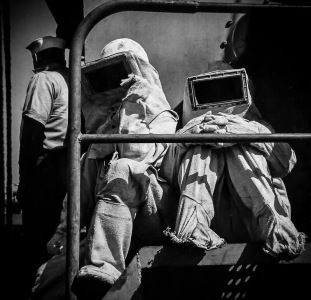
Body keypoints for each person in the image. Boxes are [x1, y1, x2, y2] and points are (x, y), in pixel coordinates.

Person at [29, 38, 179, 300]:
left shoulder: (163, 118)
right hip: (111, 226)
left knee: (122, 167)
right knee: (49, 279)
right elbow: (81, 190)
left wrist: (133, 106)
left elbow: (136, 154)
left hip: (154, 216)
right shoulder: (101, 137)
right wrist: (64, 234)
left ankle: (105, 267)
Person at [160, 61, 307, 260]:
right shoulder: (188, 132)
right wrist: (189, 136)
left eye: (226, 88)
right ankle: (192, 225)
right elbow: (167, 172)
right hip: (213, 224)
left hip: (252, 222)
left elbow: (287, 162)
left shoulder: (256, 126)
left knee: (243, 147)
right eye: (210, 91)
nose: (220, 97)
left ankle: (276, 227)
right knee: (200, 146)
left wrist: (238, 131)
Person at [16, 36, 69, 293]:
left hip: (45, 171)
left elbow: (33, 134)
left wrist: (25, 181)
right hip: (70, 169)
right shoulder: (73, 80)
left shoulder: (43, 79)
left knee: (37, 243)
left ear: (38, 57)